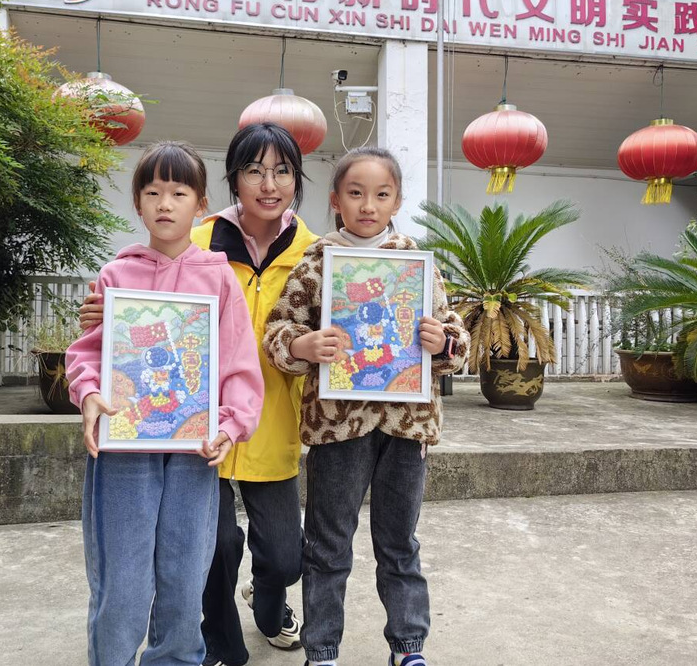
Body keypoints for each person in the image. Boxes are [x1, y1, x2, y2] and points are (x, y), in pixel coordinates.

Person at [78, 123, 318, 666]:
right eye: (153, 192)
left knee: (192, 570)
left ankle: (184, 653)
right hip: (126, 448)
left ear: (199, 203)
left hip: (207, 445)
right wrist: (89, 391)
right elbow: (91, 351)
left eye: (179, 193)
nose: (166, 204)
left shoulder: (261, 266)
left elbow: (239, 360)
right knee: (129, 577)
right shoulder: (120, 273)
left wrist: (231, 421)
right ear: (138, 203)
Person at [262, 147, 469, 666]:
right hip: (337, 427)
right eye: (355, 193)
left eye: (381, 194)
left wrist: (442, 343)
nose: (368, 205)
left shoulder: (417, 263)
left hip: (407, 426)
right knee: (328, 544)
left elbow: (455, 337)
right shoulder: (318, 262)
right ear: (336, 200)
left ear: (397, 201)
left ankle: (408, 646)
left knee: (399, 542)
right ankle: (322, 650)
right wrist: (303, 345)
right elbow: (277, 330)